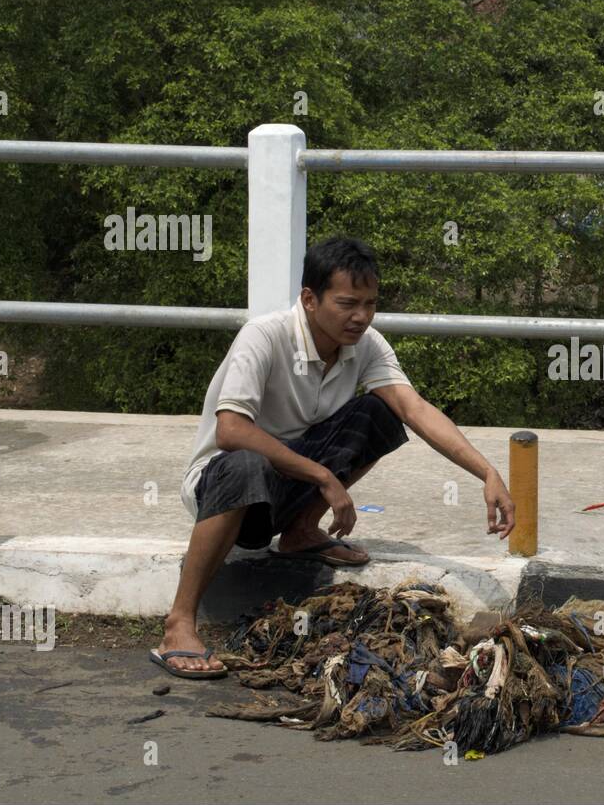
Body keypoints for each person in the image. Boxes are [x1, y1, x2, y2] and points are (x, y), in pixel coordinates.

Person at [150, 235, 515, 678]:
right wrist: (323, 476)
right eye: (346, 303)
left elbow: (413, 408)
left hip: (288, 484)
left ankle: (302, 532)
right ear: (309, 299)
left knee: (378, 413)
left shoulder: (367, 345)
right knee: (247, 459)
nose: (360, 317)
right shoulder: (263, 336)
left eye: (370, 303)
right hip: (227, 492)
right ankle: (179, 623)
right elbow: (231, 431)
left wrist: (487, 472)